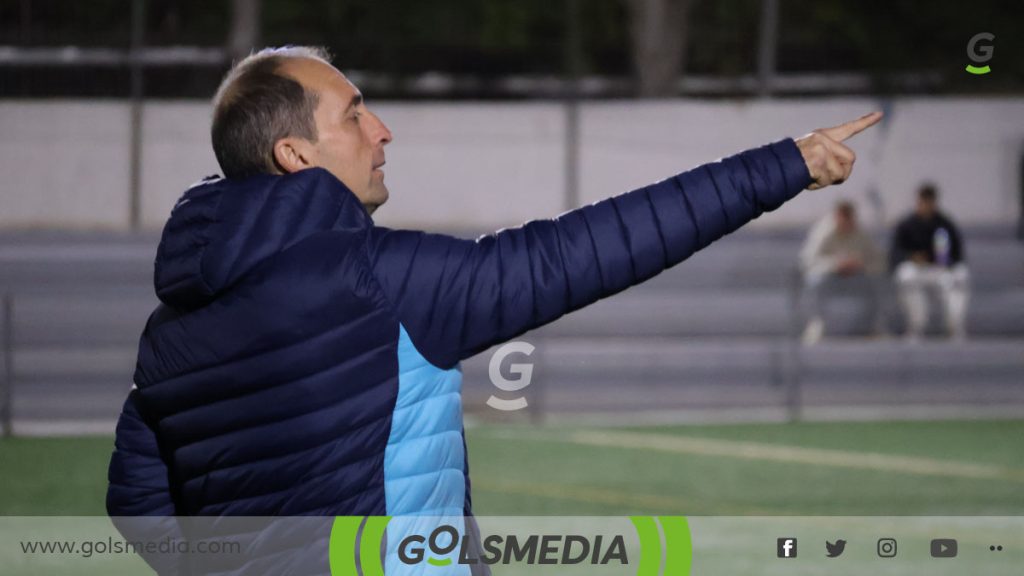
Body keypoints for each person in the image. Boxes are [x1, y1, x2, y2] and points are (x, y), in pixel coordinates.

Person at [104, 46, 880, 572]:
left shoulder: (168, 334)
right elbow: (582, 252)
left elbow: (138, 509)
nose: (382, 131)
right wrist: (786, 165)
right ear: (295, 154)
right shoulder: (379, 280)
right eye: (354, 113)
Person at [799, 200, 886, 344]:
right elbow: (807, 261)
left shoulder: (860, 233)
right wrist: (835, 264)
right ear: (837, 217)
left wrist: (860, 264)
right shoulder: (823, 232)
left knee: (876, 282)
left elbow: (878, 262)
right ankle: (816, 323)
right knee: (815, 282)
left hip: (856, 278)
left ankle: (872, 325)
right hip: (829, 277)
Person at [890, 183, 969, 340]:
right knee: (906, 275)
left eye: (929, 202)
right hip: (916, 271)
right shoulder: (906, 225)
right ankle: (916, 327)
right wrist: (912, 257)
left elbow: (958, 255)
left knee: (960, 277)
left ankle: (954, 328)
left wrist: (944, 261)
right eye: (923, 201)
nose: (926, 206)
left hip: (939, 271)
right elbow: (895, 254)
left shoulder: (945, 224)